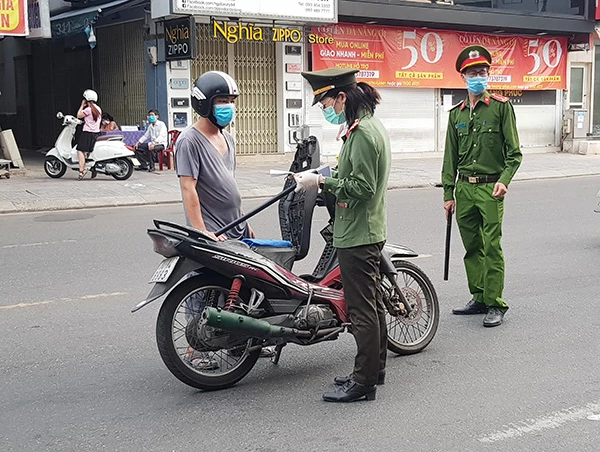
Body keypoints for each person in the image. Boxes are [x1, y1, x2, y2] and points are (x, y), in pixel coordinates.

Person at [297, 68, 391, 403]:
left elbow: (362, 188)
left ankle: (363, 383)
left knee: (362, 310)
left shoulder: (363, 133)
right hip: (366, 229)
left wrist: (324, 183)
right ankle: (373, 370)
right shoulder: (363, 128)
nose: (325, 109)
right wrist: (328, 175)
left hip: (358, 233)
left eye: (325, 102)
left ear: (342, 97)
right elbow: (355, 174)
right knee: (374, 305)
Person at [441, 45, 522, 328]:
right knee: (472, 246)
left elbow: (515, 154)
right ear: (463, 77)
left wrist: (504, 180)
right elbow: (450, 158)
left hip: (490, 189)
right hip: (464, 189)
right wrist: (448, 194)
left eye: (484, 72)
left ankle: (495, 303)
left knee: (492, 247)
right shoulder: (456, 115)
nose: (480, 76)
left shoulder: (501, 108)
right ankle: (478, 297)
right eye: (474, 72)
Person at [76, 89, 102, 180]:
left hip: (87, 133)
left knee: (80, 150)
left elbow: (78, 115)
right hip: (96, 133)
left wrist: (82, 105)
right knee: (90, 151)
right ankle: (92, 168)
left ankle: (81, 170)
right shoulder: (98, 109)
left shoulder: (88, 109)